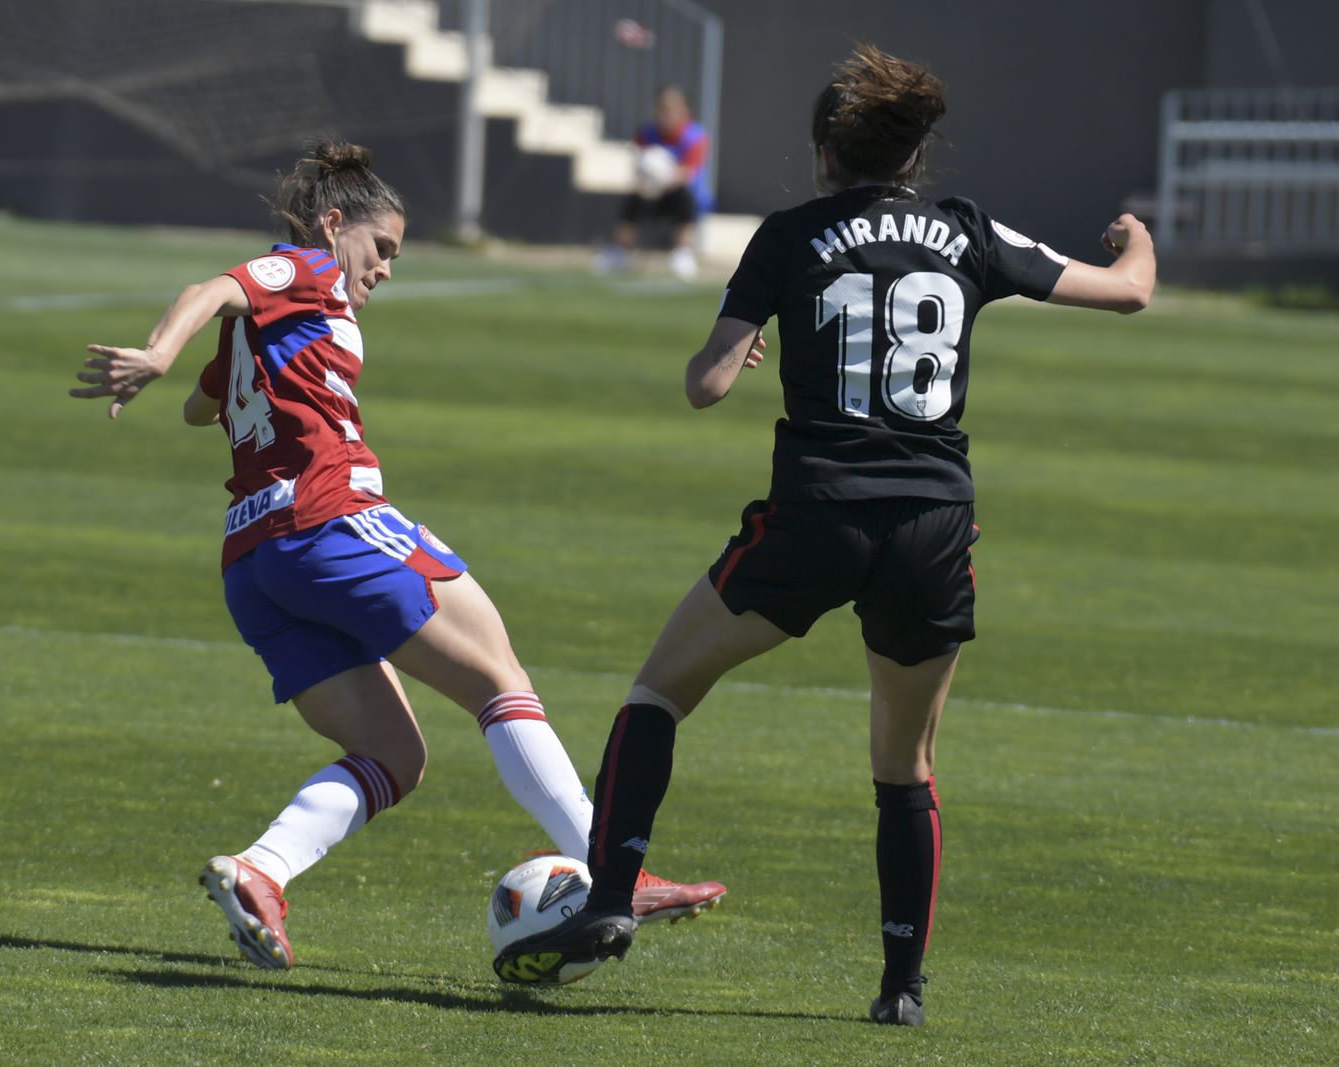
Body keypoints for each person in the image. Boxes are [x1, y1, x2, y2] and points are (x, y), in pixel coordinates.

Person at [494, 45, 1155, 1025]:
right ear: (915, 151)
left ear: (821, 150)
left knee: (658, 691)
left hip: (814, 515)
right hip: (930, 523)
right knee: (904, 764)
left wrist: (742, 344)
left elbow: (705, 384)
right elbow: (1127, 289)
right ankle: (900, 989)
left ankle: (607, 898)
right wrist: (1136, 236)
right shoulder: (962, 228)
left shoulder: (787, 235)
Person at [69, 138, 725, 971]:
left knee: (394, 755)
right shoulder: (304, 270)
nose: (384, 269)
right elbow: (216, 286)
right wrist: (159, 354)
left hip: (254, 561)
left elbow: (208, 410)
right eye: (381, 249)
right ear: (335, 224)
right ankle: (612, 873)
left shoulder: (275, 327)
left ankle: (261, 871)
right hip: (330, 520)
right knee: (499, 676)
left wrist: (229, 377)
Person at [595, 83, 713, 280]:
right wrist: (647, 180)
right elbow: (636, 161)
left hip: (680, 193)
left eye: (672, 107)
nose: (666, 113)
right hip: (651, 192)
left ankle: (682, 254)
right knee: (634, 199)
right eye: (662, 107)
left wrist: (663, 175)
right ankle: (619, 252)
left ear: (684, 109)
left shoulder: (695, 136)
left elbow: (688, 173)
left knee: (685, 199)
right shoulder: (647, 133)